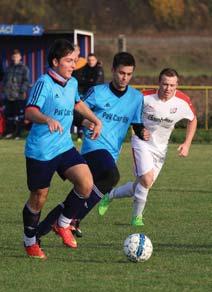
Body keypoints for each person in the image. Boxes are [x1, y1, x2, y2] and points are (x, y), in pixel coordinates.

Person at [37, 51, 145, 243]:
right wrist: (87, 123)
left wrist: (143, 131)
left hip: (111, 153)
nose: (124, 78)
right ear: (113, 70)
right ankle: (72, 220)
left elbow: (136, 124)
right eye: (121, 73)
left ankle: (38, 233)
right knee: (112, 176)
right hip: (93, 148)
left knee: (79, 194)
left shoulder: (136, 97)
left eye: (129, 74)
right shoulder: (97, 92)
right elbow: (76, 112)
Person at [22, 39, 102, 260]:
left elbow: (77, 104)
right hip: (41, 150)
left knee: (86, 183)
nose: (73, 65)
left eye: (75, 60)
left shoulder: (73, 83)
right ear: (55, 62)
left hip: (64, 146)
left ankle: (63, 223)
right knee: (39, 197)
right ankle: (30, 241)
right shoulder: (44, 83)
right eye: (69, 60)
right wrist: (46, 118)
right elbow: (29, 111)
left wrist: (94, 120)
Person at [98, 68, 197, 226]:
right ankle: (137, 218)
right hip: (141, 143)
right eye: (165, 84)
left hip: (161, 149)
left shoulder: (182, 101)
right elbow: (123, 110)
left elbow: (193, 119)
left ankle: (110, 195)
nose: (168, 88)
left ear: (177, 85)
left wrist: (187, 144)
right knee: (147, 179)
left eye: (172, 85)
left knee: (142, 185)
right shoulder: (144, 97)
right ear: (159, 83)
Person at [2, 49, 30, 139]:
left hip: (19, 97)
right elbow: (5, 81)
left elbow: (26, 81)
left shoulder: (24, 68)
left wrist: (21, 91)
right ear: (11, 57)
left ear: (20, 57)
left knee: (18, 116)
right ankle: (9, 132)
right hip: (8, 96)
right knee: (9, 115)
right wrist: (4, 90)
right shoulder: (9, 68)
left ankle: (18, 134)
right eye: (13, 57)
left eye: (17, 56)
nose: (15, 58)